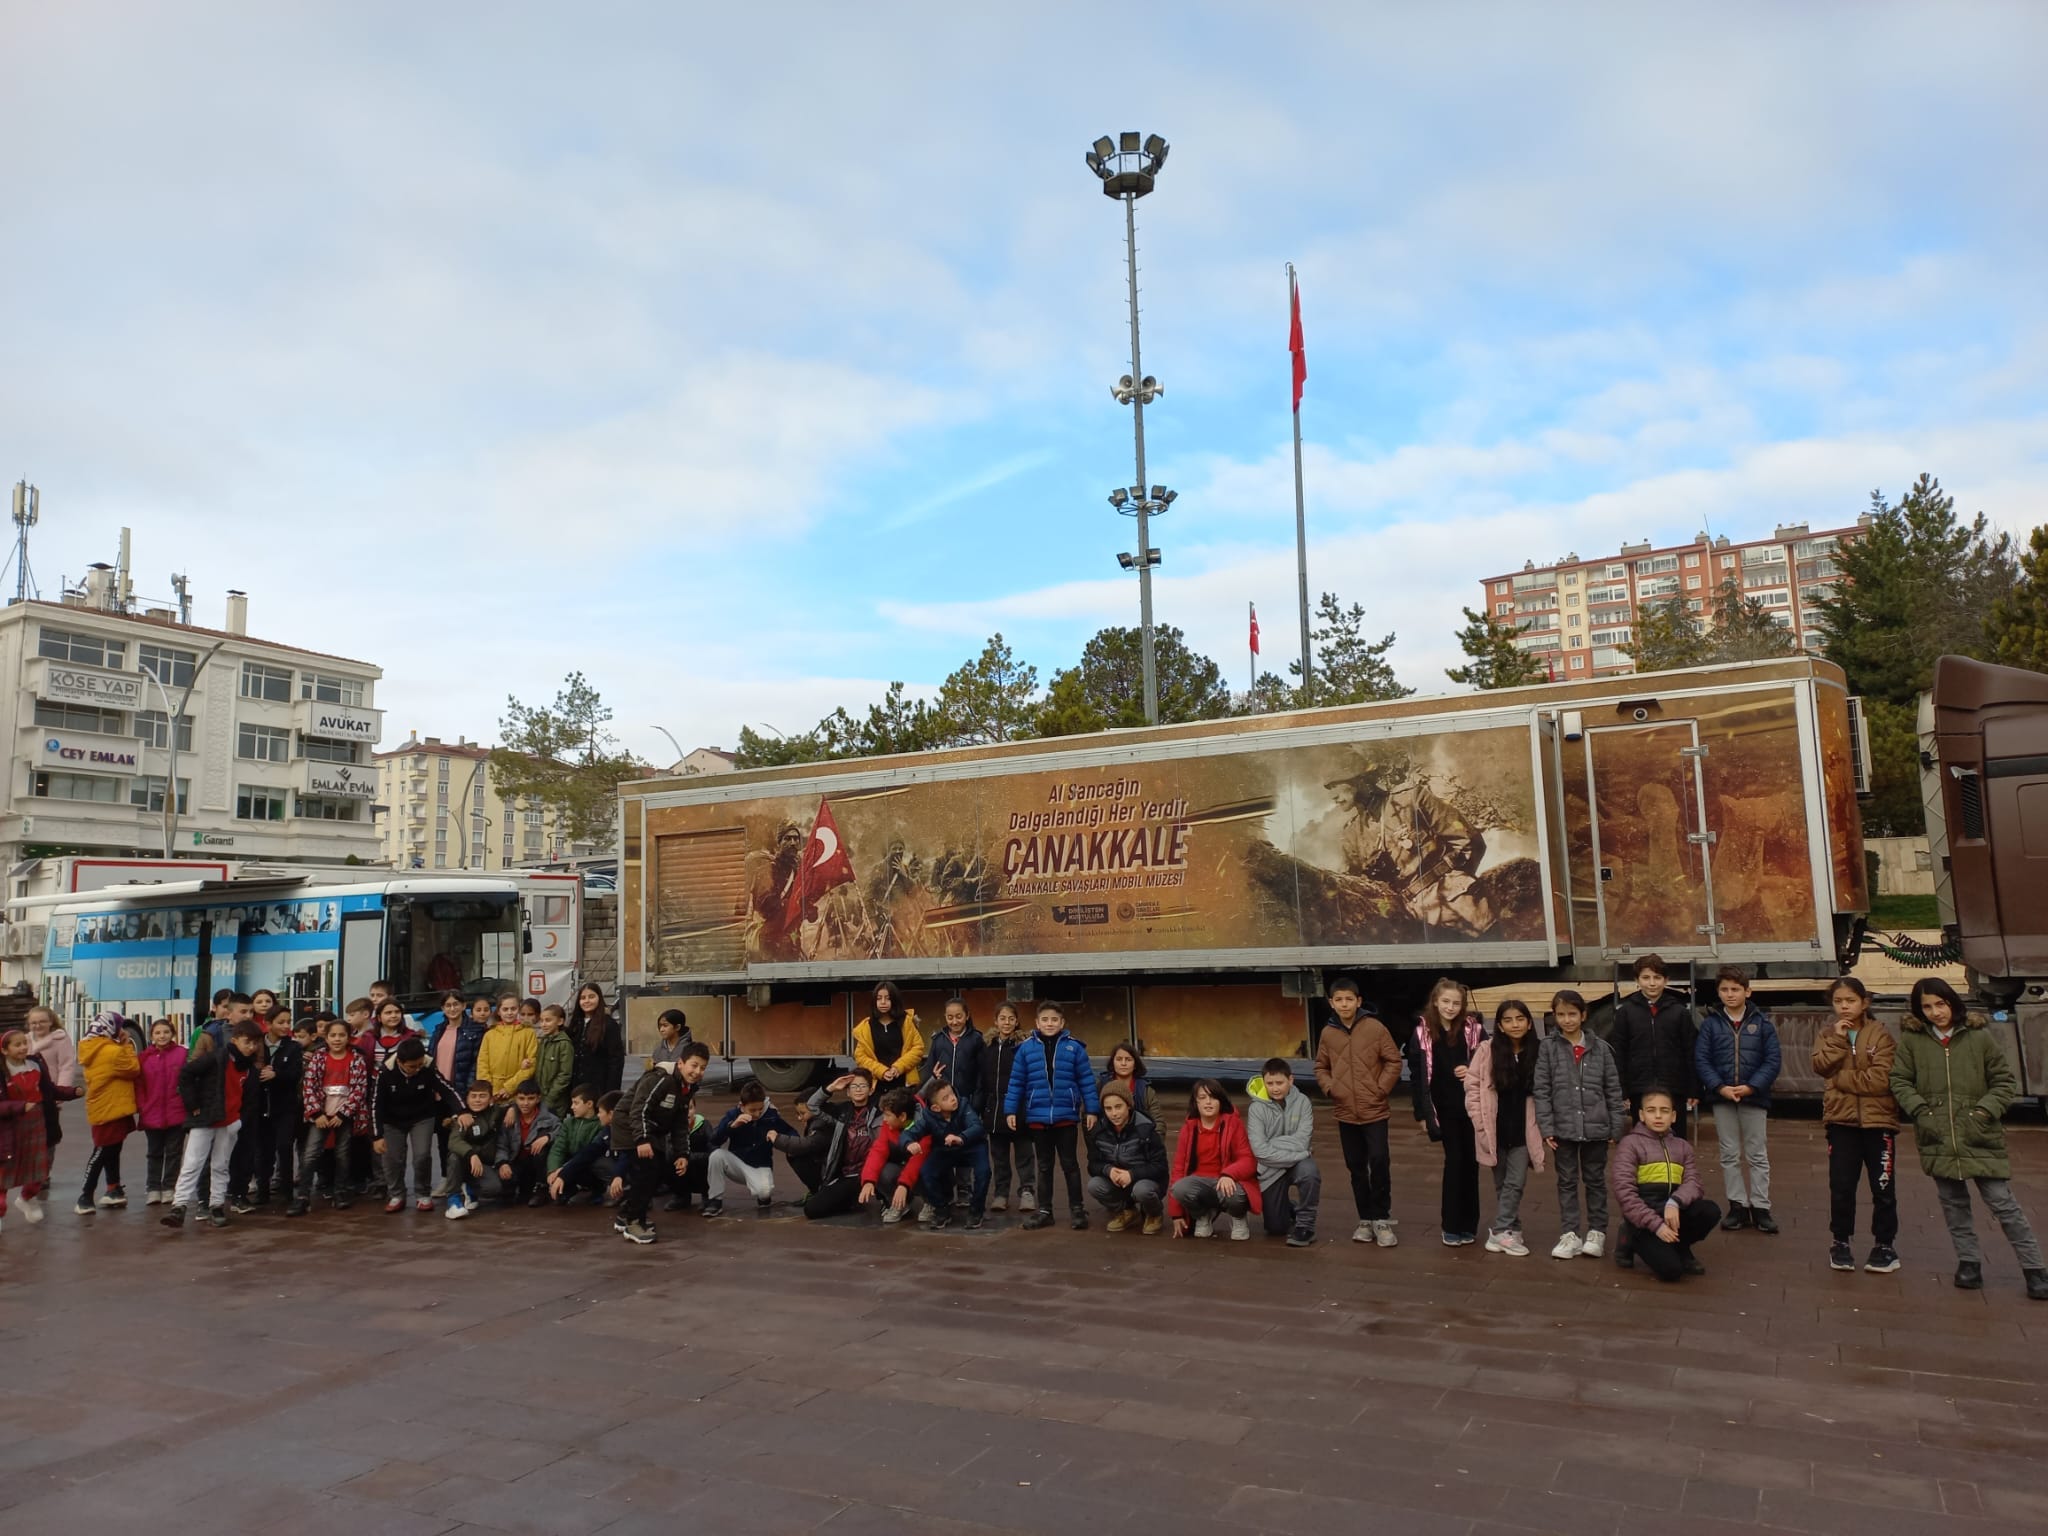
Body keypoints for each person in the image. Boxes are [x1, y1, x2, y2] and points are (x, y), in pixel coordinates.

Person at [1889, 977, 2047, 1299]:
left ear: (1952, 1002)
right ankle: (1969, 1264)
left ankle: (2035, 1270)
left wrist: (1983, 1113)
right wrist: (1922, 1113)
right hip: (1937, 1138)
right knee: (1953, 1206)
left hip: (1979, 1135)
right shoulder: (1913, 1041)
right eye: (1927, 1007)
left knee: (2004, 1205)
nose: (1935, 1012)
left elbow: (2004, 1082)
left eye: (1940, 1004)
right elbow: (1900, 1081)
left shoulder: (1979, 1038)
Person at [1812, 977, 1901, 1274]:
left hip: (1879, 1122)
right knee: (1841, 1186)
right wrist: (1838, 1040)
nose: (1844, 1007)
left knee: (1883, 1187)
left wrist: (1839, 1080)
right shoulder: (1828, 1034)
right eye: (1838, 1001)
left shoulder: (1881, 1035)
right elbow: (1821, 1065)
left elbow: (1880, 1080)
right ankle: (1840, 1242)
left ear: (1865, 1002)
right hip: (1841, 1121)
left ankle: (1885, 1245)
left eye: (1850, 1000)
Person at [1534, 989, 1624, 1260]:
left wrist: (1615, 1125)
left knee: (1595, 1180)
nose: (1567, 1020)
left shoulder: (1602, 1049)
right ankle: (1570, 1233)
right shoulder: (1548, 1048)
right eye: (1561, 1014)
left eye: (1572, 1014)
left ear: (1583, 1015)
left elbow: (1613, 1089)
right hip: (1563, 1129)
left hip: (1597, 1128)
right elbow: (1542, 1089)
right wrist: (1546, 1127)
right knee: (1566, 1181)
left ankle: (1597, 1231)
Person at [1313, 976, 1403, 1248]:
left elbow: (1393, 1061)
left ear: (1359, 1001)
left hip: (1374, 1109)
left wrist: (1380, 1089)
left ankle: (1381, 1218)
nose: (1344, 1004)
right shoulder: (1328, 1033)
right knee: (1355, 1167)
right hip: (1345, 1112)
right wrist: (1331, 1089)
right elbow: (1320, 1067)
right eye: (1338, 1000)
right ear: (1331, 1003)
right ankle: (1365, 1219)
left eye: (1349, 999)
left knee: (1378, 1161)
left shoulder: (1374, 1028)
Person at [1693, 965, 1782, 1235]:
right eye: (1724, 989)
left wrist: (1752, 1087)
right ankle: (1738, 1206)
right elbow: (1702, 1059)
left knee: (1757, 1153)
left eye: (1735, 989)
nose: (1730, 994)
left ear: (1747, 991)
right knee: (1729, 1153)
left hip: (1754, 1097)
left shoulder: (1762, 1023)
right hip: (1722, 1098)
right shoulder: (1710, 1024)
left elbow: (1773, 1060)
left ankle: (1761, 1207)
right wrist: (1719, 1087)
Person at [1002, 1001, 1100, 1231]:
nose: (1049, 1023)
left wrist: (1092, 1109)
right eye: (1045, 1019)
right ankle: (1045, 1210)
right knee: (1044, 1166)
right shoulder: (1025, 1049)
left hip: (1066, 1116)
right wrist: (1010, 1110)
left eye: (1054, 1019)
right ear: (1037, 1023)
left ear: (1062, 1022)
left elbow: (1086, 1080)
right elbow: (1016, 1082)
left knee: (1070, 1165)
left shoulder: (1075, 1048)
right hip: (1037, 1116)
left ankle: (1077, 1209)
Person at [1611, 1087, 1719, 1282]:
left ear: (1674, 1116)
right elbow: (1625, 1195)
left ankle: (1680, 1245)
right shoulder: (1630, 1144)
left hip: (1672, 1214)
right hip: (1643, 1220)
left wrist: (1674, 1202)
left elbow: (1694, 1183)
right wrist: (1657, 1226)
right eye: (1651, 1110)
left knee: (1709, 1211)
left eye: (1664, 1110)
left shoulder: (1682, 1146)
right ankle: (1628, 1239)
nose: (1658, 1116)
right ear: (1642, 1115)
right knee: (1671, 1271)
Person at [163, 1021, 263, 1229]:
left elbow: (251, 1099)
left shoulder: (251, 1070)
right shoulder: (217, 1058)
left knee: (221, 1165)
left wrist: (240, 1120)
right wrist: (193, 1104)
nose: (251, 1047)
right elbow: (187, 1073)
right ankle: (179, 1206)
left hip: (230, 1122)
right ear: (235, 1040)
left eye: (255, 1043)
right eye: (247, 1042)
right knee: (192, 1162)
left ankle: (216, 1206)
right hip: (206, 1119)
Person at [1408, 977, 1484, 1247]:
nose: (1451, 1007)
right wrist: (1421, 1114)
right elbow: (1417, 1075)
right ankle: (1451, 1225)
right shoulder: (1423, 1032)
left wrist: (1470, 1068)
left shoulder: (1473, 1029)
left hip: (1472, 1107)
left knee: (1472, 1165)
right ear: (1435, 1002)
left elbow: (1487, 1059)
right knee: (1454, 1163)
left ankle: (1469, 1224)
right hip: (1443, 1108)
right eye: (1446, 1002)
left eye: (1456, 1003)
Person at [1466, 999, 1543, 1257]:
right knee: (1502, 1184)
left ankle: (1499, 1231)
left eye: (1520, 1019)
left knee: (1516, 1182)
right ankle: (1511, 1229)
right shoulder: (1487, 1051)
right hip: (1494, 1128)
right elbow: (1472, 1089)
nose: (1515, 1024)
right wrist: (1478, 1121)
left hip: (1523, 1130)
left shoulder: (1539, 1051)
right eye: (1508, 1020)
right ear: (1499, 1024)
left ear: (1529, 1022)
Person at [613, 1040, 710, 1243]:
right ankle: (633, 1223)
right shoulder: (661, 1079)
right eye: (694, 1065)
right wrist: (642, 1139)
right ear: (681, 1063)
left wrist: (682, 1153)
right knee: (646, 1171)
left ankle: (626, 1214)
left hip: (650, 1129)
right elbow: (639, 1109)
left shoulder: (686, 1087)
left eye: (703, 1067)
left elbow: (680, 1123)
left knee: (656, 1170)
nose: (698, 1071)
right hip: (630, 1126)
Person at [1611, 955, 1699, 1140]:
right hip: (1640, 1088)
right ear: (1636, 980)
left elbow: (1690, 1051)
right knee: (1643, 1140)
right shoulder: (1626, 1013)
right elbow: (1619, 1053)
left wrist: (1693, 1088)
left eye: (1657, 978)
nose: (1652, 983)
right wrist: (1623, 1089)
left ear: (1666, 980)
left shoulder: (1679, 1012)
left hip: (1673, 1087)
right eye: (1646, 978)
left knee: (1676, 1139)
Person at [1, 1026, 80, 1232]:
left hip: (37, 1123)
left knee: (39, 1171)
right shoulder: (2, 1071)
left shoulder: (35, 1064)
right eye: (17, 1045)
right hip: (10, 1128)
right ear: (5, 1050)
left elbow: (49, 1090)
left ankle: (26, 1198)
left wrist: (72, 1092)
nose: (23, 1047)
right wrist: (19, 1106)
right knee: (4, 1174)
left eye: (24, 1043)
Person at [291, 1016, 372, 1217]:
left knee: (342, 1154)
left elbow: (359, 1089)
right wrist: (316, 1113)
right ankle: (302, 1197)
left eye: (341, 1035)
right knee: (310, 1154)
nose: (337, 1039)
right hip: (320, 1115)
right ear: (325, 1038)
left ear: (349, 1037)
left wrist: (344, 1114)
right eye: (333, 1035)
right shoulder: (318, 1058)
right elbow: (309, 1086)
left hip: (344, 1116)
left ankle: (341, 1192)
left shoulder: (356, 1059)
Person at [374, 1037, 460, 1212]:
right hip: (392, 1120)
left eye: (419, 1065)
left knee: (422, 1156)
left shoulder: (428, 1067)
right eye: (412, 1066)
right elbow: (376, 1104)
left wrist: (462, 1111)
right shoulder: (385, 1072)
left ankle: (423, 1194)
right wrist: (377, 1135)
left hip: (422, 1117)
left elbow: (447, 1089)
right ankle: (397, 1194)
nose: (416, 1069)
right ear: (399, 1061)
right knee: (392, 1159)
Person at [1168, 1079, 1260, 1240]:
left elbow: (1248, 1160)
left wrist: (1228, 1174)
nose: (1208, 1102)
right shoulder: (1188, 1128)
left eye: (1213, 1097)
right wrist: (1176, 1214)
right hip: (1200, 1182)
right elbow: (1178, 1168)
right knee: (1179, 1188)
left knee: (1235, 1194)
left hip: (1226, 1181)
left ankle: (1238, 1217)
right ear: (1195, 1102)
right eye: (1202, 1097)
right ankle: (1203, 1216)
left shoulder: (1233, 1124)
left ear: (1221, 1101)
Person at [787, 1070, 883, 1220]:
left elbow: (913, 1100)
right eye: (853, 1086)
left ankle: (884, 1200)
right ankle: (847, 1201)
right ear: (848, 1092)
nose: (858, 1089)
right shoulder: (841, 1112)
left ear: (871, 1090)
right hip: (845, 1174)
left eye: (863, 1086)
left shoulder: (879, 1111)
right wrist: (831, 1088)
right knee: (812, 1210)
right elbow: (812, 1106)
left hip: (870, 1171)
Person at [1245, 1058, 1319, 1248]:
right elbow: (1260, 1152)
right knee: (1276, 1228)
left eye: (1280, 1083)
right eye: (1270, 1083)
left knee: (1310, 1172)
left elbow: (1303, 1140)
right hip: (1271, 1169)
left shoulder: (1303, 1102)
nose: (1275, 1088)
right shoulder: (1256, 1109)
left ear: (1291, 1080)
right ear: (1264, 1082)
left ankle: (1305, 1226)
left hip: (1296, 1165)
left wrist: (1273, 1144)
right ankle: (1291, 1208)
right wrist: (1300, 1153)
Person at [75, 1011, 142, 1214]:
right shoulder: (112, 1051)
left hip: (108, 1105)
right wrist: (126, 1045)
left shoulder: (93, 1046)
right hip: (110, 1106)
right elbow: (133, 1068)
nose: (122, 1031)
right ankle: (85, 1196)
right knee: (102, 1151)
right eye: (120, 1026)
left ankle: (114, 1189)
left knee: (112, 1149)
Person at [905, 1077, 989, 1230]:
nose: (953, 1099)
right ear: (936, 1108)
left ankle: (976, 1210)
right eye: (946, 1098)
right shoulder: (928, 1117)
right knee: (927, 1172)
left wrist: (961, 1137)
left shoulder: (964, 1106)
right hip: (946, 1150)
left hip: (972, 1146)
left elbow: (977, 1126)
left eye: (952, 1094)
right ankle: (941, 1209)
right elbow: (909, 1133)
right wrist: (909, 1143)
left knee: (983, 1172)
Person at [705, 1081, 797, 1216]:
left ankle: (763, 1197)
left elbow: (790, 1131)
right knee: (716, 1156)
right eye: (752, 1110)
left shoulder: (771, 1115)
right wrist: (732, 1126)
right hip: (737, 1162)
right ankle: (715, 1200)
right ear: (742, 1106)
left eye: (760, 1109)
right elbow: (714, 1140)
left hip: (760, 1165)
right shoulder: (733, 1114)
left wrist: (789, 1145)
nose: (757, 1114)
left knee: (764, 1192)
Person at [1086, 1082, 1168, 1234]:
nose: (1114, 1113)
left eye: (1118, 1107)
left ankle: (1154, 1214)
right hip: (1118, 1182)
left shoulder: (1146, 1129)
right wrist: (1108, 1170)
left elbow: (1160, 1166)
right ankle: (1127, 1211)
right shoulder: (1099, 1131)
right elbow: (1093, 1164)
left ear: (1129, 1105)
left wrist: (1132, 1174)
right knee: (1094, 1185)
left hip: (1146, 1181)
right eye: (1108, 1108)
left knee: (1142, 1190)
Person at [979, 1003, 1033, 1213]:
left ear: (1017, 1021)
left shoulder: (1025, 1045)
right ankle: (1001, 1194)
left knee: (1024, 1155)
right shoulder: (988, 1046)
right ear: (996, 1021)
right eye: (1003, 1018)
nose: (1007, 1022)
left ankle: (1027, 1191)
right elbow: (983, 1079)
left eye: (1011, 1018)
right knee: (999, 1157)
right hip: (994, 1111)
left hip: (1020, 1110)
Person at [858, 1088, 928, 1226]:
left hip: (927, 1168)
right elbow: (878, 1151)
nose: (884, 1119)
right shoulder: (889, 1125)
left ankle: (933, 1202)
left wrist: (903, 1185)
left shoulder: (925, 1125)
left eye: (887, 1115)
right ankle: (899, 1204)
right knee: (881, 1171)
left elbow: (918, 1161)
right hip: (904, 1165)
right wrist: (868, 1181)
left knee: (927, 1170)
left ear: (902, 1117)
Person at [137, 1019, 189, 1206]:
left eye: (166, 1032)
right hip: (152, 1113)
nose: (162, 1036)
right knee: (154, 1153)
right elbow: (139, 1085)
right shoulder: (144, 1058)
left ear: (172, 1033)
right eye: (158, 1033)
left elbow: (188, 1080)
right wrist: (142, 1106)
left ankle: (169, 1187)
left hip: (177, 1112)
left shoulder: (182, 1054)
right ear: (152, 1036)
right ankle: (152, 1188)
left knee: (174, 1152)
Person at [439, 1080, 506, 1220]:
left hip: (484, 1163)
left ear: (491, 1098)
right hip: (466, 1161)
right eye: (473, 1096)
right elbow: (454, 1141)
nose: (477, 1100)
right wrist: (471, 1154)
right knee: (454, 1157)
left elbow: (512, 1106)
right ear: (467, 1099)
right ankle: (453, 1201)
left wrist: (512, 1110)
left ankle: (470, 1188)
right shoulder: (463, 1117)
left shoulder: (496, 1112)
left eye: (482, 1096)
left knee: (494, 1188)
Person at [261, 1009, 307, 1203]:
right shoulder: (257, 1044)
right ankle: (262, 1192)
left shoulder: (293, 1047)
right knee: (263, 1150)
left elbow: (295, 1074)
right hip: (261, 1107)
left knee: (285, 1147)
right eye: (281, 1022)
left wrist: (276, 1074)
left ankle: (286, 1193)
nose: (286, 1026)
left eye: (288, 1022)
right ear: (268, 1023)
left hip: (286, 1107)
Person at [495, 1079, 560, 1207]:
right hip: (517, 1161)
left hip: (537, 1163)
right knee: (506, 1196)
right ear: (516, 1099)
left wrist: (548, 1136)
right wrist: (502, 1163)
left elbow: (563, 1134)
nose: (525, 1103)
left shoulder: (550, 1119)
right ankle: (521, 1189)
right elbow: (501, 1144)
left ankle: (541, 1189)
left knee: (540, 1150)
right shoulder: (509, 1118)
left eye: (530, 1099)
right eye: (521, 1098)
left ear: (538, 1099)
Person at [853, 981, 926, 1090]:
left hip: (905, 1084)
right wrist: (881, 1071)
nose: (883, 1002)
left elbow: (918, 1048)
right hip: (877, 1085)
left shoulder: (906, 1022)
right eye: (879, 998)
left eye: (888, 998)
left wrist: (898, 1067)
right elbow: (860, 1057)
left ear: (895, 1000)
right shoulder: (866, 1027)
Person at [547, 1086, 611, 1204]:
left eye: (576, 1103)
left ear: (589, 1104)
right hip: (571, 1164)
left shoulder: (599, 1125)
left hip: (586, 1166)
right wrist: (553, 1170)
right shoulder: (569, 1123)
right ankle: (568, 1188)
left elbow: (589, 1153)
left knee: (593, 1163)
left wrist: (564, 1171)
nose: (572, 1107)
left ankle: (596, 1189)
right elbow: (558, 1148)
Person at [475, 992, 538, 1105]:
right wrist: (489, 1090)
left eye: (513, 1009)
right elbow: (482, 1064)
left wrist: (510, 1087)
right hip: (492, 1095)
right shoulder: (490, 1035)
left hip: (518, 1094)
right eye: (505, 1009)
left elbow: (531, 1064)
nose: (509, 1012)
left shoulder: (528, 1033)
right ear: (499, 1011)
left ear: (518, 1009)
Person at [567, 984, 625, 1094]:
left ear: (599, 998)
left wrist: (611, 1093)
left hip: (599, 1087)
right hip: (576, 1088)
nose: (587, 1001)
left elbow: (616, 1061)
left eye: (591, 997)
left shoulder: (609, 1025)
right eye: (583, 998)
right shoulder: (575, 1025)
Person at [925, 998, 984, 1103]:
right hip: (942, 1101)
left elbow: (982, 1074)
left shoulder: (976, 1039)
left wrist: (977, 1101)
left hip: (967, 1100)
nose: (954, 1022)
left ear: (967, 1016)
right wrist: (934, 1077)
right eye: (950, 1017)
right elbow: (929, 1069)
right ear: (945, 1017)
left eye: (959, 1017)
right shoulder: (938, 1040)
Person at [532, 1004, 577, 1118]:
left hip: (556, 1102)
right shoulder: (544, 1041)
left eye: (548, 1020)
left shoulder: (564, 1044)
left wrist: (550, 1097)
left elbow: (565, 1074)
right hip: (541, 1097)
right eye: (541, 1021)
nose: (543, 1024)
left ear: (560, 1021)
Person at [26, 1004, 79, 1092]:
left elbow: (66, 1067)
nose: (38, 1026)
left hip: (50, 1090)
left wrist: (62, 1090)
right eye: (34, 1023)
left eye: (42, 1021)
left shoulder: (60, 1039)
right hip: (27, 1092)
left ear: (50, 1022)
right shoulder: (25, 1040)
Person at [1098, 1043, 1155, 1120]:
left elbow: (1157, 1121)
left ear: (1135, 1064)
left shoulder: (1144, 1089)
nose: (1123, 1063)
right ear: (1112, 1062)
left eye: (1128, 1059)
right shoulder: (1101, 1085)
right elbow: (1090, 1116)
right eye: (1119, 1059)